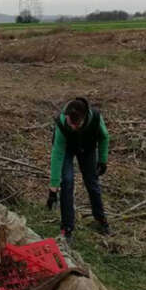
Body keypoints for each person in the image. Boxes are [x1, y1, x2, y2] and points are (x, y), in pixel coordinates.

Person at [47, 97, 111, 242]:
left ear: (84, 117)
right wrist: (53, 186)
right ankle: (67, 228)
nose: (73, 127)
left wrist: (102, 159)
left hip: (87, 149)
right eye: (71, 123)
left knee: (92, 183)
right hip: (67, 150)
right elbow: (57, 154)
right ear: (67, 116)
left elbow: (104, 137)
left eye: (77, 124)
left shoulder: (94, 117)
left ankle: (101, 221)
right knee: (67, 182)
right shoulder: (62, 123)